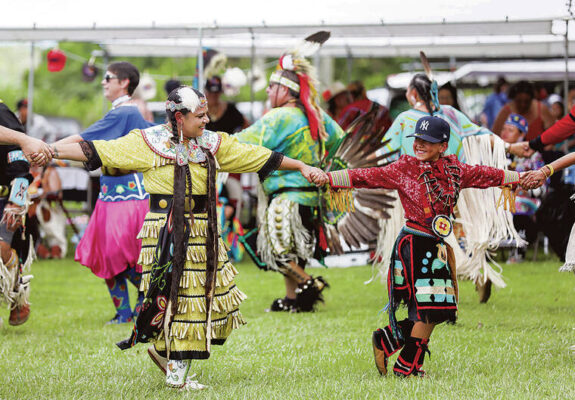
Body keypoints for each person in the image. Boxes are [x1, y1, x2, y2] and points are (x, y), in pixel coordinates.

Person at [48, 85, 323, 390]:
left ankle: (168, 355)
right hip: (165, 229)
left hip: (203, 229)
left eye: (207, 115)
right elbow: (99, 149)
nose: (206, 121)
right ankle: (176, 373)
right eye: (200, 116)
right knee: (179, 298)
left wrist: (300, 165)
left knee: (200, 299)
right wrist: (51, 150)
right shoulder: (148, 142)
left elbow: (254, 156)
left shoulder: (212, 144)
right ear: (179, 117)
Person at [311, 116, 521, 377]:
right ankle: (407, 367)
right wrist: (329, 178)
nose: (420, 145)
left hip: (437, 245)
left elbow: (485, 174)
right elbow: (367, 176)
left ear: (443, 146)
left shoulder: (455, 170)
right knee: (431, 307)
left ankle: (389, 341)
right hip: (414, 244)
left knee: (437, 307)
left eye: (427, 141)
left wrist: (519, 177)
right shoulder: (404, 168)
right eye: (417, 140)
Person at [378, 73, 524, 303]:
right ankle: (475, 269)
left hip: (418, 190)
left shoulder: (406, 119)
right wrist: (510, 147)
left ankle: (425, 284)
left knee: (422, 240)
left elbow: (382, 152)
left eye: (408, 91)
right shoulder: (449, 113)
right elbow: (481, 135)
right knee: (456, 232)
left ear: (413, 93)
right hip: (455, 183)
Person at [235, 50, 345, 313]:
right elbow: (339, 137)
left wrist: (219, 140)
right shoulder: (315, 115)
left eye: (272, 87)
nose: (268, 92)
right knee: (296, 251)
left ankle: (310, 284)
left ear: (286, 90)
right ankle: (293, 300)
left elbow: (243, 142)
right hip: (311, 197)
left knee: (276, 251)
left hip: (287, 198)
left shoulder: (279, 117)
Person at [52, 61, 154, 324]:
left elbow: (81, 141)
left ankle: (146, 303)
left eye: (108, 77)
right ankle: (126, 313)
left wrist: (45, 150)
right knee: (108, 255)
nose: (102, 81)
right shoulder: (121, 113)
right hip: (111, 194)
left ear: (124, 83)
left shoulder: (125, 113)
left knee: (122, 256)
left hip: (129, 196)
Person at [0, 99, 35, 327]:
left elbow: (19, 155)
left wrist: (17, 199)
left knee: (1, 250)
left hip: (5, 199)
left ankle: (15, 283)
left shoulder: (1, 112)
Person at [500, 114, 545, 262]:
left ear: (522, 135)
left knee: (517, 202)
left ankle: (518, 251)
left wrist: (527, 189)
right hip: (498, 198)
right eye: (504, 129)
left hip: (525, 199)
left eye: (510, 130)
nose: (504, 133)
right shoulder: (495, 154)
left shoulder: (532, 155)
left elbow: (543, 187)